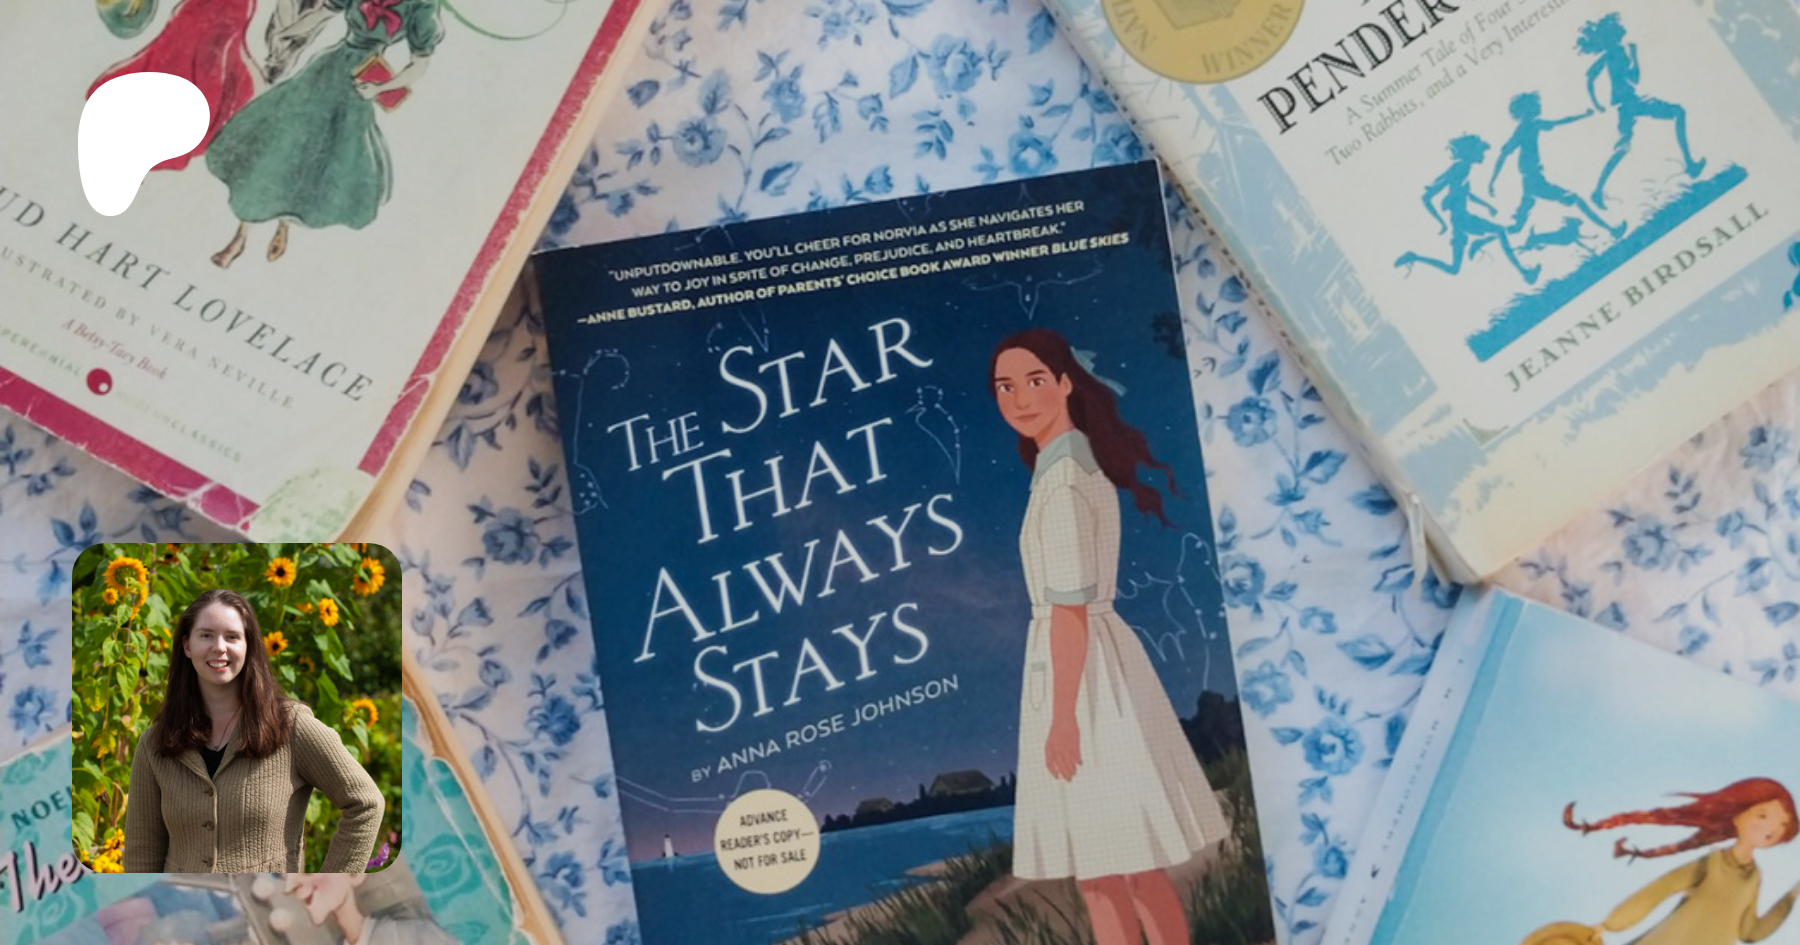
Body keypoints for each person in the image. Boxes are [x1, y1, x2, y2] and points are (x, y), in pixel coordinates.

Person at [989, 328, 1230, 945]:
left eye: (1034, 381)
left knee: (1108, 872)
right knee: (1123, 867)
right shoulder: (1064, 470)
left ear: (1066, 383)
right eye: (1005, 387)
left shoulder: (1066, 482)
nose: (1019, 398)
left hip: (1085, 679)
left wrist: (1063, 718)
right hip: (1095, 666)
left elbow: (1070, 610)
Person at [123, 588, 382, 872]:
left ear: (248, 646)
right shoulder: (155, 742)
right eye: (206, 635)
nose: (219, 647)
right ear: (187, 645)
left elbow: (366, 803)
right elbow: (141, 852)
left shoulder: (291, 726)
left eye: (232, 636)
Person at [202, 0, 443, 267]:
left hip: (358, 87)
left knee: (320, 155)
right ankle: (240, 236)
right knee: (280, 138)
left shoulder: (422, 7)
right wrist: (289, 32)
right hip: (326, 69)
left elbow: (420, 64)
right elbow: (321, 14)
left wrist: (379, 88)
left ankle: (285, 223)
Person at [1563, 777, 1799, 945]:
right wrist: (1610, 925)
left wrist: (1792, 895)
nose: (1771, 829)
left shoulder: (1754, 877)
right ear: (1737, 817)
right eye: (1763, 816)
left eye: (1782, 825)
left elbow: (1749, 932)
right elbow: (1657, 891)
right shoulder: (1711, 864)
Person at [1579, 12, 1705, 210]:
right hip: (1630, 102)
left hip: (1627, 104)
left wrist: (1597, 104)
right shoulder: (1618, 51)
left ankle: (1597, 191)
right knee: (1678, 112)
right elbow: (1634, 78)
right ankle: (1689, 164)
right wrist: (1635, 56)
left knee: (1623, 148)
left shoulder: (1611, 53)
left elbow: (1590, 78)